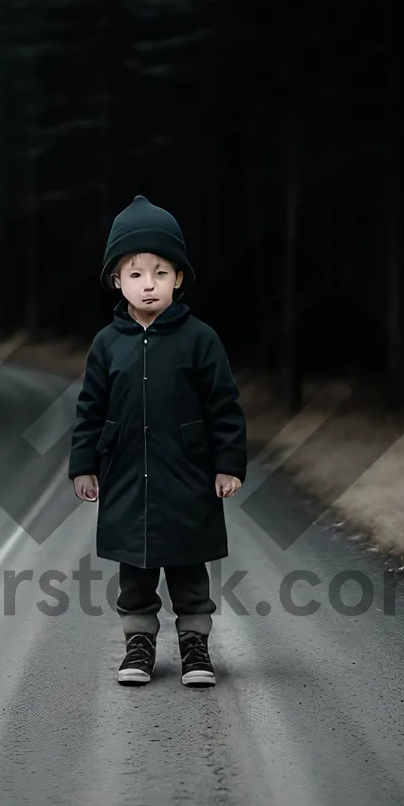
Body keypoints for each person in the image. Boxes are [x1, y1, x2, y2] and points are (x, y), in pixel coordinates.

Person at [69, 195, 247, 686]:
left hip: (187, 473)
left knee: (189, 567)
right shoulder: (107, 343)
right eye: (135, 273)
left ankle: (195, 650)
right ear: (116, 281)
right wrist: (84, 464)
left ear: (179, 278)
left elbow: (224, 407)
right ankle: (139, 647)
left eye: (161, 272)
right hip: (125, 473)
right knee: (136, 571)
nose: (148, 284)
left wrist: (228, 463)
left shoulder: (201, 339)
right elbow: (90, 407)